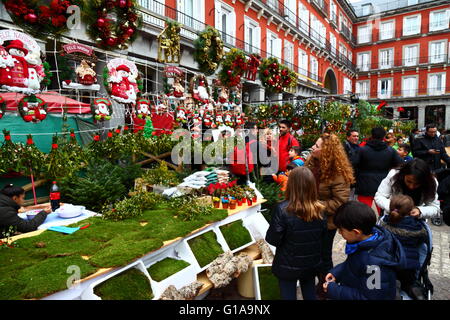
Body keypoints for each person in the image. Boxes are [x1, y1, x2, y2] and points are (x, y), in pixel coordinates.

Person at [322, 201, 406, 300]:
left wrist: (333, 290)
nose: (339, 233)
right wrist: (337, 272)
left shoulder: (374, 265)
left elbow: (369, 297)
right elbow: (353, 263)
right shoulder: (366, 241)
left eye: (341, 230)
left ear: (356, 232)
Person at [266, 166, 327, 300]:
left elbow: (273, 239)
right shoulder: (320, 209)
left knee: (288, 295)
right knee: (310, 293)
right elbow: (323, 238)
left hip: (287, 265)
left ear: (291, 185)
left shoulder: (282, 210)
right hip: (311, 263)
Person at [305, 133, 354, 295]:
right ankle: (311, 285)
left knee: (323, 257)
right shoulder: (312, 163)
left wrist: (315, 206)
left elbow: (340, 202)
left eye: (317, 146)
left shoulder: (337, 172)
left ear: (327, 151)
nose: (313, 147)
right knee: (311, 254)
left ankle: (327, 288)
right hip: (309, 218)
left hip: (326, 223)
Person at [378, 195, 427, 300]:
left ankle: (394, 288)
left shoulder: (384, 223)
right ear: (411, 211)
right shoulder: (417, 226)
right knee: (409, 281)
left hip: (389, 263)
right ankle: (413, 288)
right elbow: (422, 241)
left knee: (388, 277)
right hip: (409, 265)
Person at [355, 127, 403, 214]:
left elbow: (354, 165)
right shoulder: (390, 151)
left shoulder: (362, 149)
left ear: (371, 136)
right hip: (383, 182)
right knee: (380, 209)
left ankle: (364, 226)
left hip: (364, 183)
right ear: (384, 137)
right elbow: (401, 164)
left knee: (363, 210)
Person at [374, 158, 440, 219]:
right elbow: (379, 197)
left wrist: (419, 211)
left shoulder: (431, 183)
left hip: (415, 222)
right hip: (392, 217)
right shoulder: (393, 175)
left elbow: (435, 208)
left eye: (417, 183)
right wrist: (394, 208)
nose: (411, 186)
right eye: (408, 181)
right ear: (403, 175)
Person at [343, 130, 360, 200]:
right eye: (354, 136)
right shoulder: (344, 147)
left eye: (357, 136)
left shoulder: (357, 147)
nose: (356, 138)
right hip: (347, 177)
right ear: (348, 137)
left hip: (354, 177)